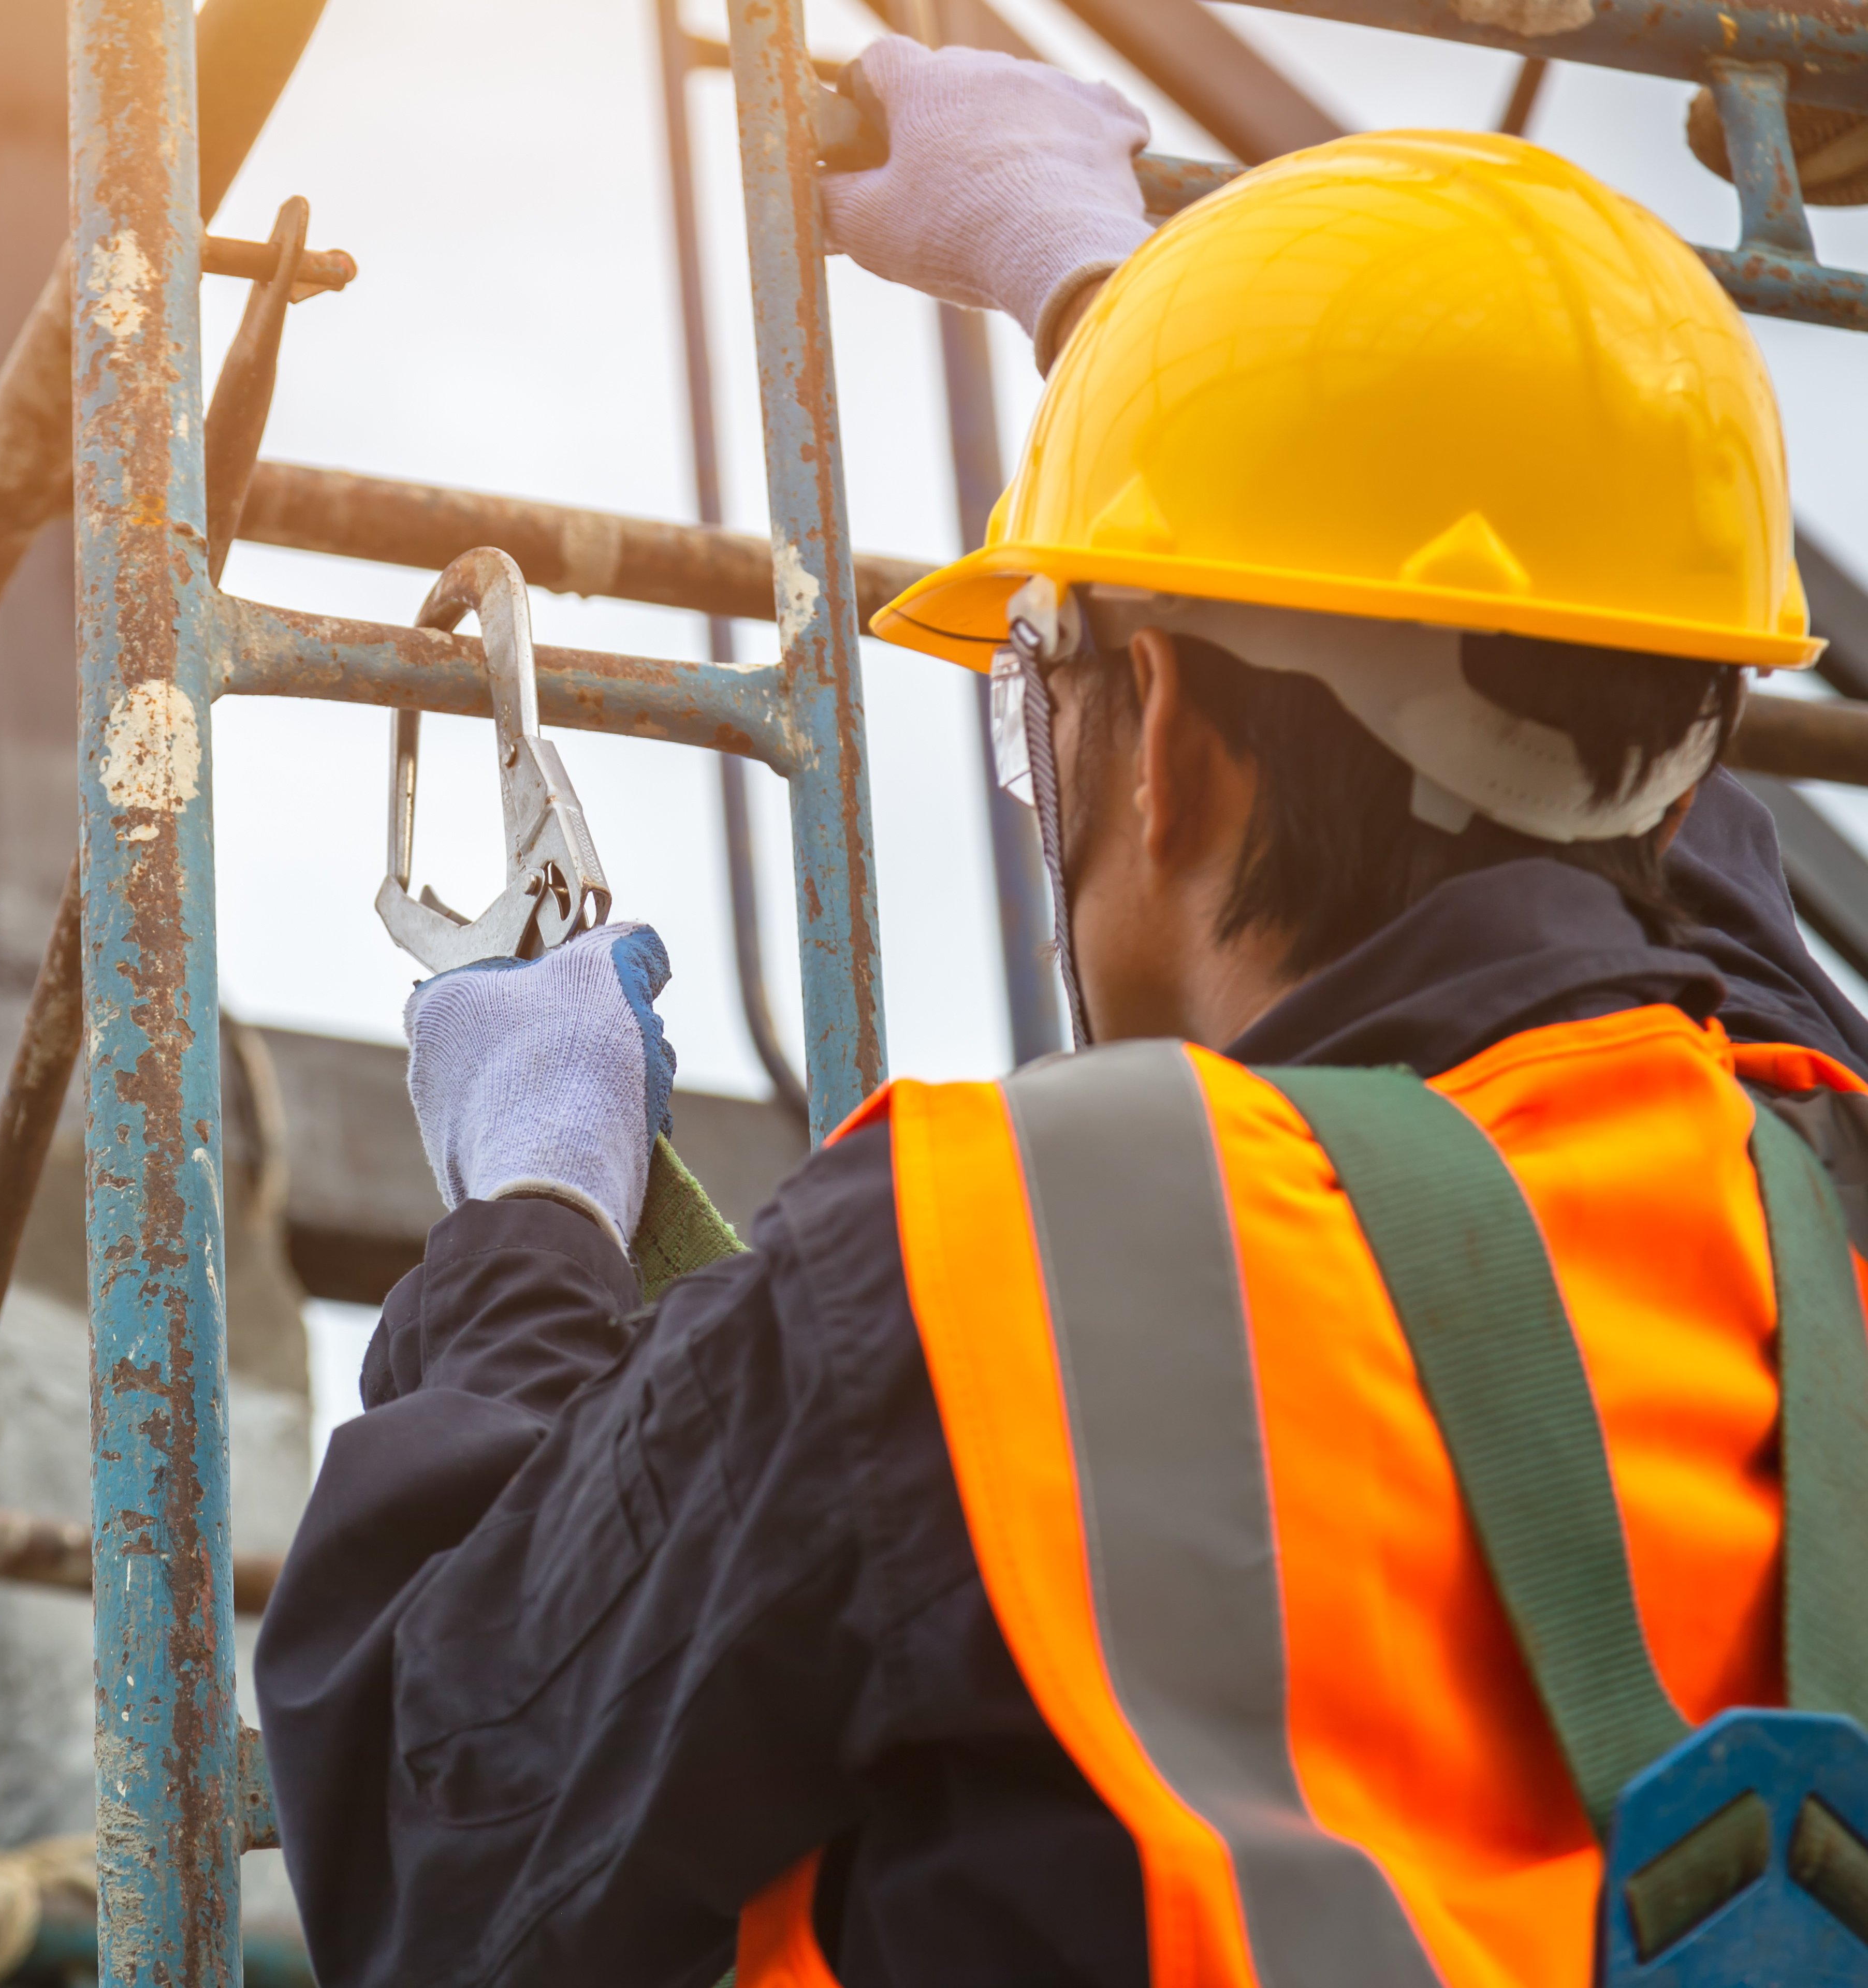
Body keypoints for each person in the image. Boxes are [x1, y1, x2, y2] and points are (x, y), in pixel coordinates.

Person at [250, 36, 1868, 1988]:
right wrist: (1118, 310)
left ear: (1163, 746)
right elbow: (1606, 774)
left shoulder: (997, 1261)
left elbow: (433, 1823)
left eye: (1053, 692)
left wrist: (528, 1207)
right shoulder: (1819, 1190)